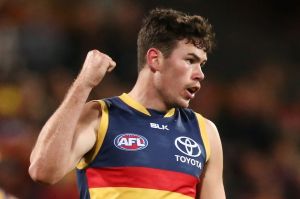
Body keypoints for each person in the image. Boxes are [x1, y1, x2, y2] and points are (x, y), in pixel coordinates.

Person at [29, 8, 226, 199]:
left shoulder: (205, 132)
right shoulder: (101, 116)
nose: (200, 74)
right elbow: (43, 171)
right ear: (155, 59)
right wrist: (83, 84)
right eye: (190, 60)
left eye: (202, 64)